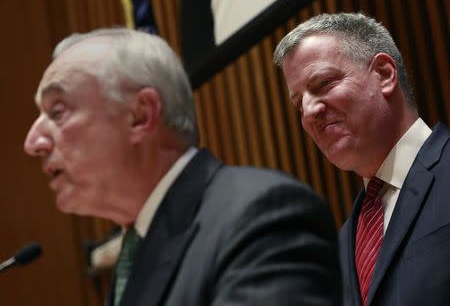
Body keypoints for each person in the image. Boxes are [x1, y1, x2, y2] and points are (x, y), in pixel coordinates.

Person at [24, 28, 340, 306]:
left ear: (139, 116)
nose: (32, 142)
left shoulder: (262, 217)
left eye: (58, 111)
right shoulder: (135, 253)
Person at [274, 12, 450, 306]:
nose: (308, 112)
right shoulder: (343, 245)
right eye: (298, 103)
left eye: (323, 84)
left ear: (384, 74)